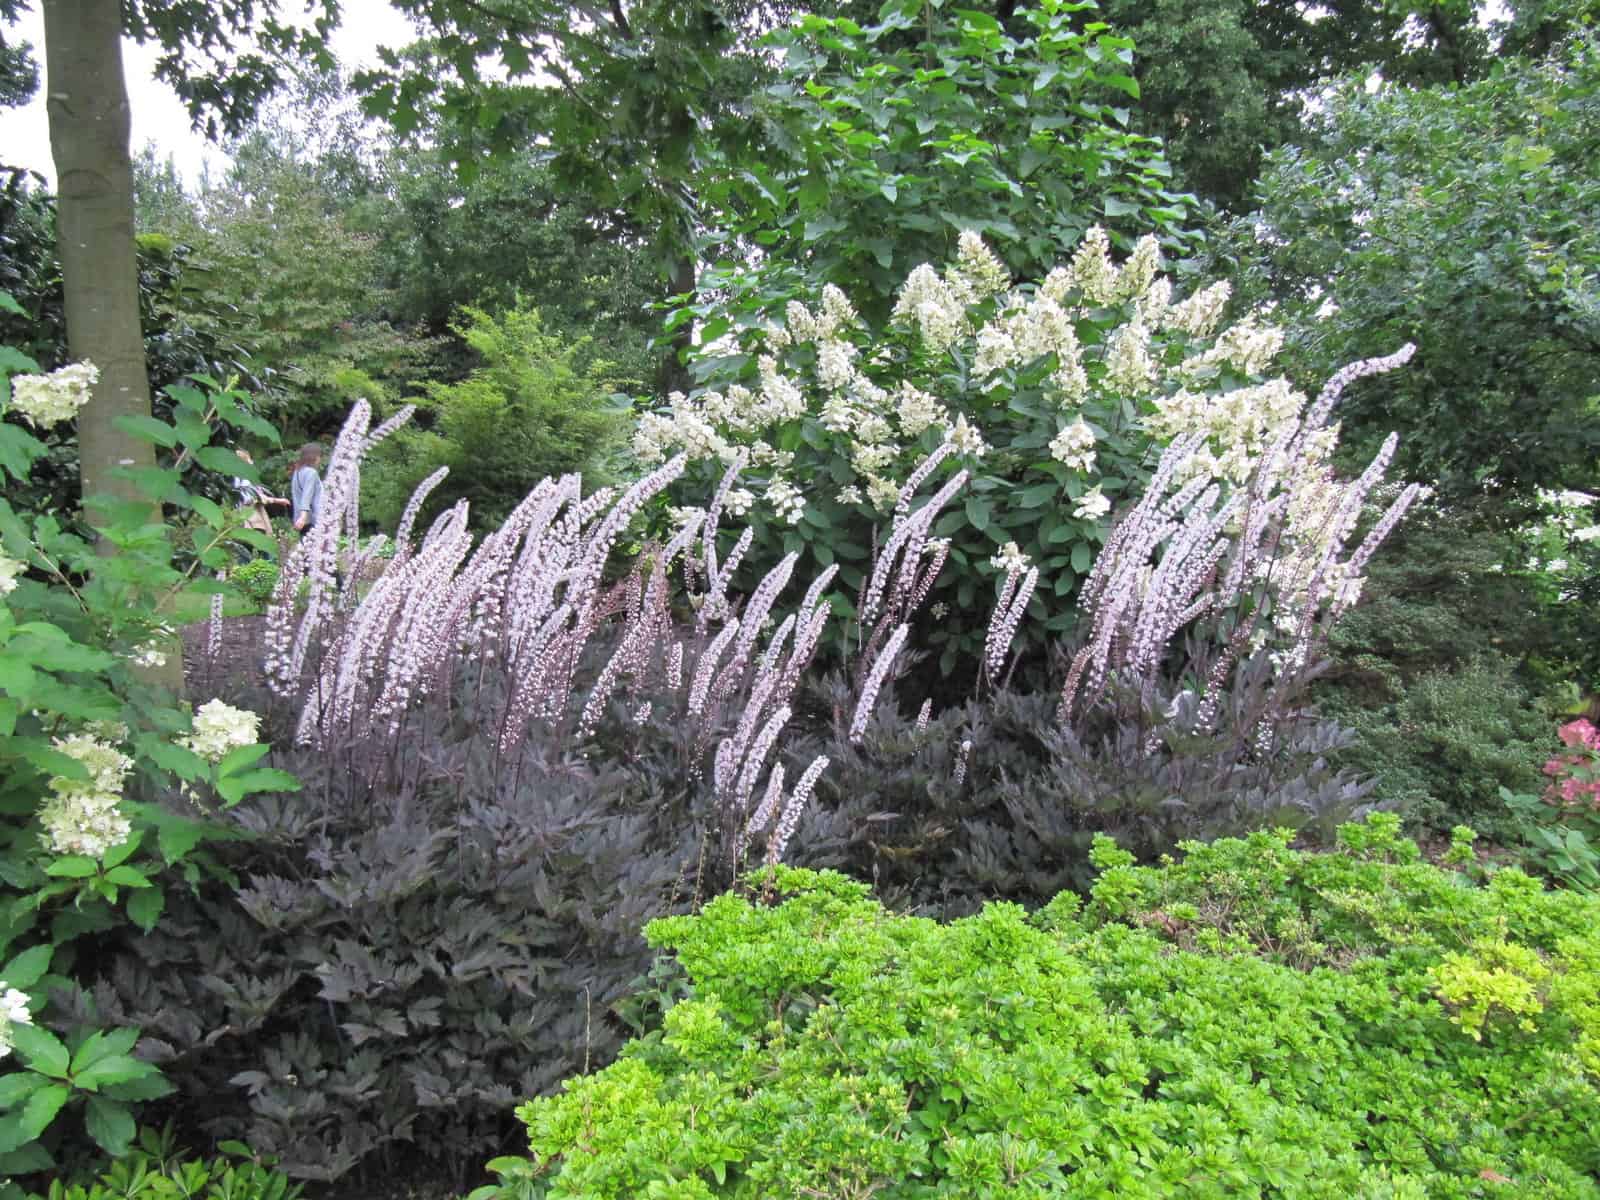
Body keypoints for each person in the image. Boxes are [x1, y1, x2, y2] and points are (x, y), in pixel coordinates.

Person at [232, 449, 290, 536]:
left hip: (245, 513)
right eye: (249, 459)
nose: (252, 462)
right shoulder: (245, 478)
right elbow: (253, 497)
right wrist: (278, 500)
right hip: (250, 514)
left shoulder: (237, 476)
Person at [290, 443, 324, 537]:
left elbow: (297, 495)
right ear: (315, 457)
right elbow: (307, 495)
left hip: (300, 519)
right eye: (319, 456)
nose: (320, 460)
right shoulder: (311, 473)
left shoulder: (297, 471)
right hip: (313, 519)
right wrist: (303, 517)